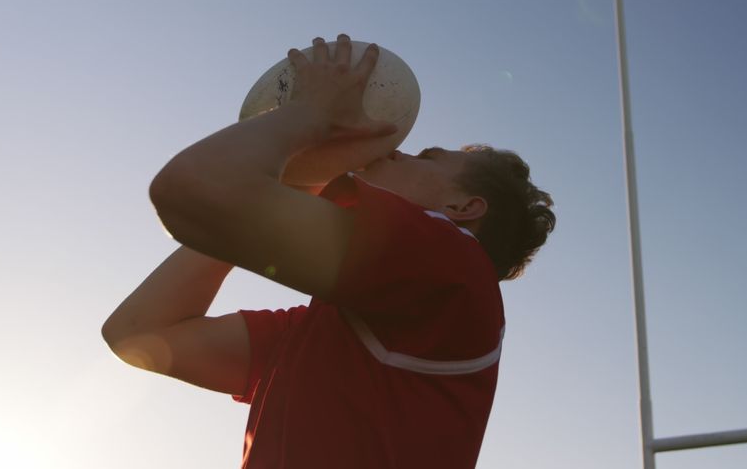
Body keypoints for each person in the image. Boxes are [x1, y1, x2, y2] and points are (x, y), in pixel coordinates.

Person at [102, 34, 556, 468]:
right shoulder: (327, 331)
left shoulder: (456, 268)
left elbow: (196, 191)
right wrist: (292, 176)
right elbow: (140, 332)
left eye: (426, 157)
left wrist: (311, 114)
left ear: (463, 208)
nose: (397, 153)